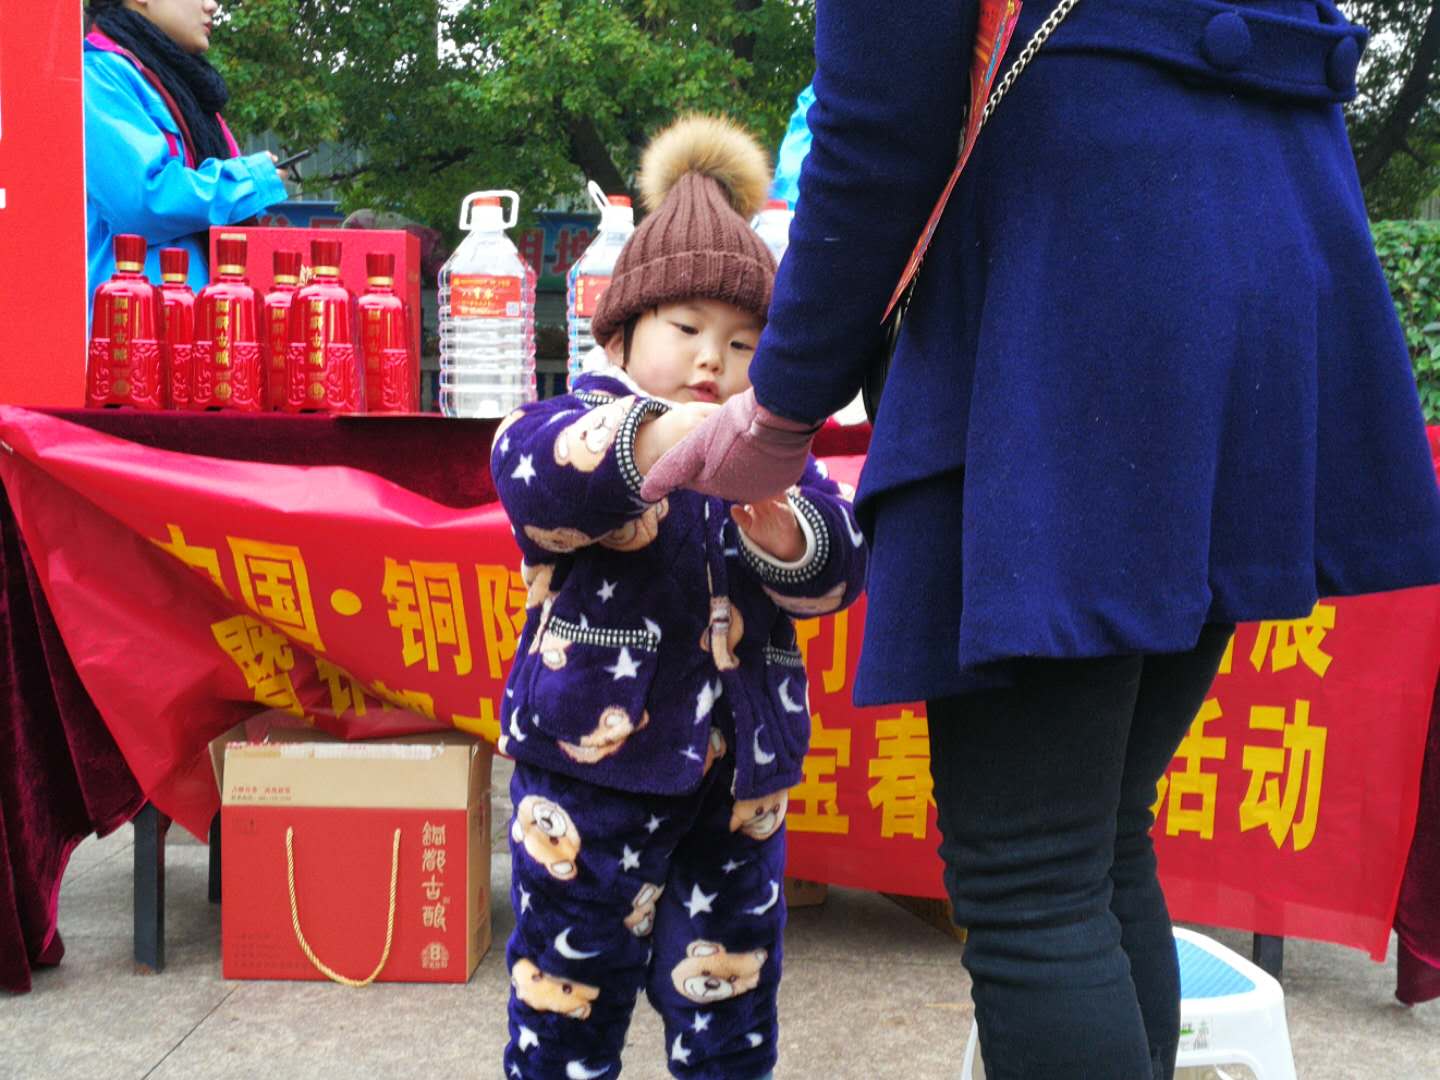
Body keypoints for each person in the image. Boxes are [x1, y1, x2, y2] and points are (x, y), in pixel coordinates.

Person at [642, 0, 1440, 1077]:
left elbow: (881, 128)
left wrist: (780, 409)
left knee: (1032, 873)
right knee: (1097, 839)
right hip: (1272, 236)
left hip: (1080, 267)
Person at [489, 114, 868, 1080]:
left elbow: (839, 571)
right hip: (589, 782)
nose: (714, 362)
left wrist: (781, 524)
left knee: (730, 998)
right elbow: (532, 477)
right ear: (622, 331)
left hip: (741, 786)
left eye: (746, 344)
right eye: (688, 330)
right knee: (568, 998)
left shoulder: (777, 453)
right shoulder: (578, 421)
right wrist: (660, 443)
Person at [82, 0, 287, 308]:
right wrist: (247, 181)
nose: (212, 6)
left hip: (200, 325)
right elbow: (143, 200)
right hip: (134, 329)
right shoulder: (99, 74)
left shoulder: (185, 90)